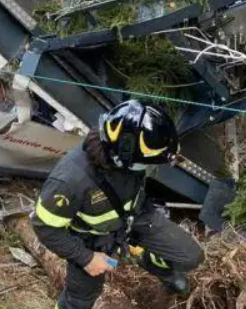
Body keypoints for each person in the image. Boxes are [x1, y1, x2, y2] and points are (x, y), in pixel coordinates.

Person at [31, 100, 203, 309]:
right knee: (79, 301)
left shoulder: (132, 151)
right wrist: (86, 258)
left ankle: (150, 261)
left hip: (135, 217)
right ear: (122, 156)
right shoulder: (70, 180)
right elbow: (45, 227)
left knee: (190, 256)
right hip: (91, 240)